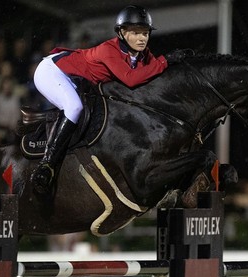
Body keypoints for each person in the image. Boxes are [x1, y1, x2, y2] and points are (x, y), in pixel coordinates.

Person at [28, 5, 168, 195]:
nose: (142, 38)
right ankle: (47, 165)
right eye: (136, 33)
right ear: (121, 33)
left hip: (74, 78)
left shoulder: (142, 53)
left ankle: (44, 121)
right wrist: (166, 61)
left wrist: (174, 64)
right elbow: (132, 79)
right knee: (74, 107)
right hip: (52, 71)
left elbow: (153, 74)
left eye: (145, 33)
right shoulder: (108, 50)